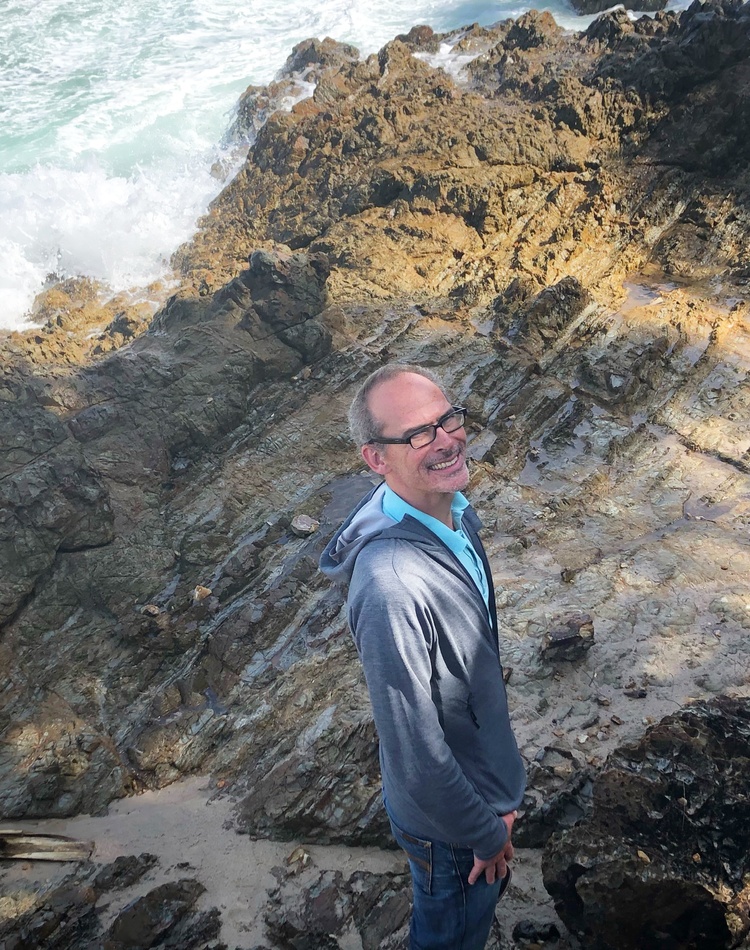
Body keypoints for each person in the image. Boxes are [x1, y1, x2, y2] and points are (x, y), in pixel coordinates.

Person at [320, 364, 526, 950]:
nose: (445, 441)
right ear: (375, 459)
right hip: (453, 828)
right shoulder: (391, 586)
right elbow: (417, 756)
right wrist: (485, 833)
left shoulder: (454, 512)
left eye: (447, 420)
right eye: (417, 434)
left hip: (479, 790)